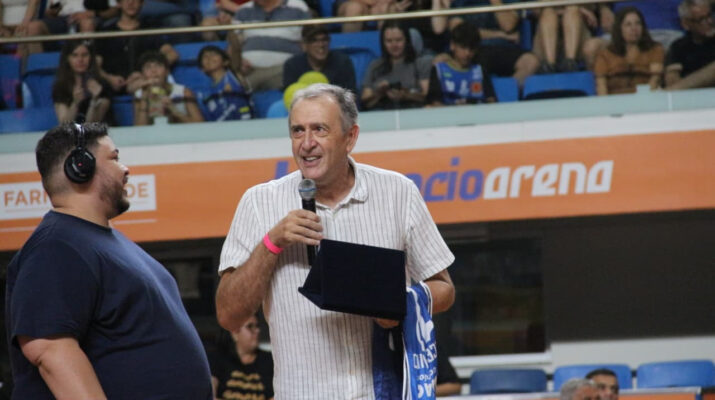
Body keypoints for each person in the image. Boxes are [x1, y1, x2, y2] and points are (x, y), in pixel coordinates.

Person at [215, 83, 456, 398]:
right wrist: (272, 243)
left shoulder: (398, 192)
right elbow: (228, 315)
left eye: (319, 129)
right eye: (298, 131)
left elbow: (444, 289)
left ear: (350, 137)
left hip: (382, 392)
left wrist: (398, 305)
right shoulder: (259, 202)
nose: (307, 144)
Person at [5, 122, 213, 399]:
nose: (125, 169)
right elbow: (49, 349)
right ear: (80, 167)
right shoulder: (56, 245)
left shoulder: (97, 241)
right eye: (114, 158)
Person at [431, 0, 539, 86]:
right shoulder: (461, 2)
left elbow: (508, 25)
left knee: (530, 62)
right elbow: (459, 30)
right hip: (470, 49)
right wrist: (501, 34)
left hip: (500, 49)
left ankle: (505, 92)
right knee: (439, 61)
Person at [95, 0, 178, 94]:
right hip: (111, 88)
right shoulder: (106, 32)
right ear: (118, 3)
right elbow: (95, 64)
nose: (131, 2)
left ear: (142, 3)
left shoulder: (150, 29)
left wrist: (146, 73)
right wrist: (109, 78)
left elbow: (172, 54)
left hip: (144, 86)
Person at [226, 0, 310, 91]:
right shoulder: (244, 10)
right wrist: (238, 62)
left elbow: (309, 41)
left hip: (283, 70)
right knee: (231, 87)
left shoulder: (298, 7)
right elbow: (233, 44)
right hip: (250, 71)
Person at [593, 6, 664, 95]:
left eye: (638, 23)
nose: (634, 28)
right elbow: (601, 87)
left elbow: (655, 79)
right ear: (619, 29)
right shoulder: (605, 54)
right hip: (615, 100)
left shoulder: (655, 49)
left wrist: (643, 100)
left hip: (645, 98)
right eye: (628, 24)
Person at [361, 21, 431, 110]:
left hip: (414, 111)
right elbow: (365, 100)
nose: (394, 45)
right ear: (383, 43)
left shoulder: (420, 63)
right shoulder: (374, 66)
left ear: (407, 40)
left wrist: (406, 95)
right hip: (382, 112)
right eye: (389, 41)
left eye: (398, 40)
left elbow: (427, 96)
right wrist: (380, 92)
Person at [426, 21, 495, 106]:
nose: (467, 53)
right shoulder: (439, 70)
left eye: (471, 48)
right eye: (463, 47)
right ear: (452, 45)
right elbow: (435, 102)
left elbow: (491, 100)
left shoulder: (480, 71)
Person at [532, 1, 610, 72]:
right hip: (545, 43)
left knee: (572, 11)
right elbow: (536, 10)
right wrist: (580, 10)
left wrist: (576, 10)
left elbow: (601, 8)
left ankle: (570, 63)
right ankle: (549, 66)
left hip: (580, 40)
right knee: (548, 12)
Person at [209, 315, 274, 400]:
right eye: (250, 326)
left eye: (257, 326)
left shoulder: (269, 361)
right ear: (235, 333)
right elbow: (210, 394)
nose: (257, 331)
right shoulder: (218, 359)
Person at [133, 51, 204, 125]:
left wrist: (174, 111)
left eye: (158, 65)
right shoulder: (139, 95)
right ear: (142, 74)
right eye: (148, 67)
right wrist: (144, 98)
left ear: (167, 71)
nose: (153, 71)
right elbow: (139, 128)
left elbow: (200, 125)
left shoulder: (183, 92)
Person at [283, 24, 357, 93]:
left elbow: (351, 94)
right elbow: (290, 95)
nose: (321, 45)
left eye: (324, 39)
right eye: (314, 40)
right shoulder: (292, 65)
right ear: (304, 44)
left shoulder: (342, 62)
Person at [52, 40, 112, 124]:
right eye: (75, 55)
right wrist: (75, 104)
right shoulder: (61, 87)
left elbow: (91, 125)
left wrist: (94, 100)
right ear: (67, 58)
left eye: (84, 55)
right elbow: (64, 125)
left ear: (91, 58)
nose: (80, 60)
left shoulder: (102, 85)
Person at [665, 0, 715, 90]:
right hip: (690, 97)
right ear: (685, 24)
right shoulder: (678, 47)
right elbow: (672, 81)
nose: (710, 21)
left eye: (709, 15)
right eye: (701, 19)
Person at [197, 44, 254, 121]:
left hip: (246, 124)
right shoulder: (204, 94)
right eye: (205, 57)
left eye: (214, 54)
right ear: (202, 69)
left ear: (226, 62)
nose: (209, 58)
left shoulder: (234, 75)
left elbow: (235, 48)